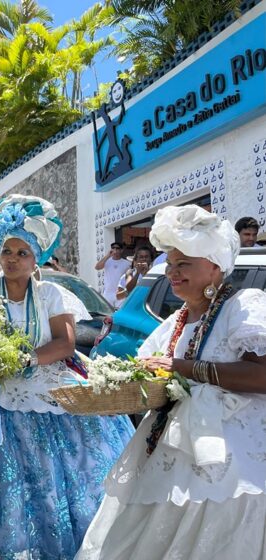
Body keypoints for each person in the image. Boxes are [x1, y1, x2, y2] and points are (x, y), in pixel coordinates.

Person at [0, 195, 134, 560]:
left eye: (22, 252)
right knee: (7, 488)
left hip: (49, 392)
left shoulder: (50, 294)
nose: (12, 259)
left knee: (62, 481)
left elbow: (66, 344)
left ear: (36, 258)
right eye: (7, 250)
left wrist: (26, 359)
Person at [77, 206, 266, 560]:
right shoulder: (175, 320)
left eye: (184, 264)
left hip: (235, 457)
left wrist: (186, 367)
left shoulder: (245, 307)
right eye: (172, 263)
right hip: (170, 447)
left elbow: (261, 376)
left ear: (214, 266)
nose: (173, 273)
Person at [95, 241, 130, 306]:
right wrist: (108, 255)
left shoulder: (127, 263)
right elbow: (97, 267)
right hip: (108, 294)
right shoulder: (107, 261)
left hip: (120, 294)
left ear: (121, 250)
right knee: (108, 314)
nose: (115, 250)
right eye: (113, 248)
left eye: (117, 248)